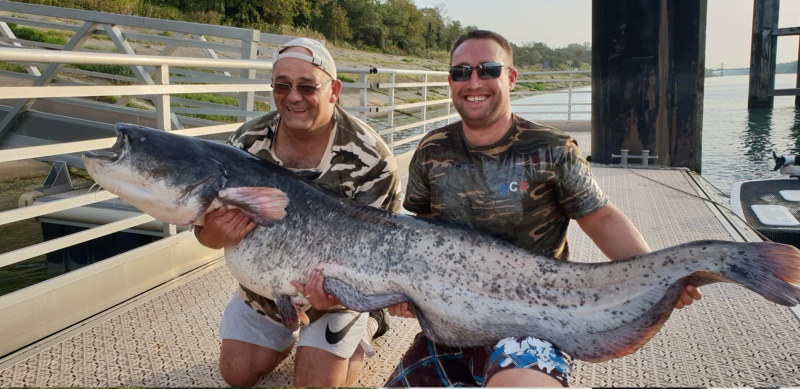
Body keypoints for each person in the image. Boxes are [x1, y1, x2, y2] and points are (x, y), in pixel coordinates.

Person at [384, 30, 703, 387]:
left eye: (487, 69)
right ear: (451, 82)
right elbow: (422, 229)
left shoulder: (553, 149)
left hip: (534, 322)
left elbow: (601, 218)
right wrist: (405, 291)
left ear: (511, 77)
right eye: (461, 72)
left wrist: (655, 276)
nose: (474, 81)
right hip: (450, 323)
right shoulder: (431, 149)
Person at [193, 38, 401, 387]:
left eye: (307, 86)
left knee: (314, 384)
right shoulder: (246, 143)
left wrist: (337, 294)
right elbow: (204, 234)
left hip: (339, 292)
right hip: (264, 285)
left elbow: (384, 252)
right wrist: (218, 233)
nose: (293, 96)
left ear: (334, 90)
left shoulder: (372, 158)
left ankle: (368, 320)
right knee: (237, 373)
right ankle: (284, 332)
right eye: (282, 85)